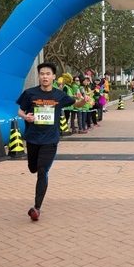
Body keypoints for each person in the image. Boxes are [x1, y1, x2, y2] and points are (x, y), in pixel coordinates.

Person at [16, 62, 91, 221]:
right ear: (39, 76)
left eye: (48, 74)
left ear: (54, 77)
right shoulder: (30, 93)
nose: (45, 76)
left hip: (50, 139)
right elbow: (20, 110)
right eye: (42, 74)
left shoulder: (59, 95)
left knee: (42, 171)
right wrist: (25, 117)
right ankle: (36, 172)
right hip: (33, 138)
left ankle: (37, 208)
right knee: (33, 168)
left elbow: (76, 104)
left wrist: (84, 101)